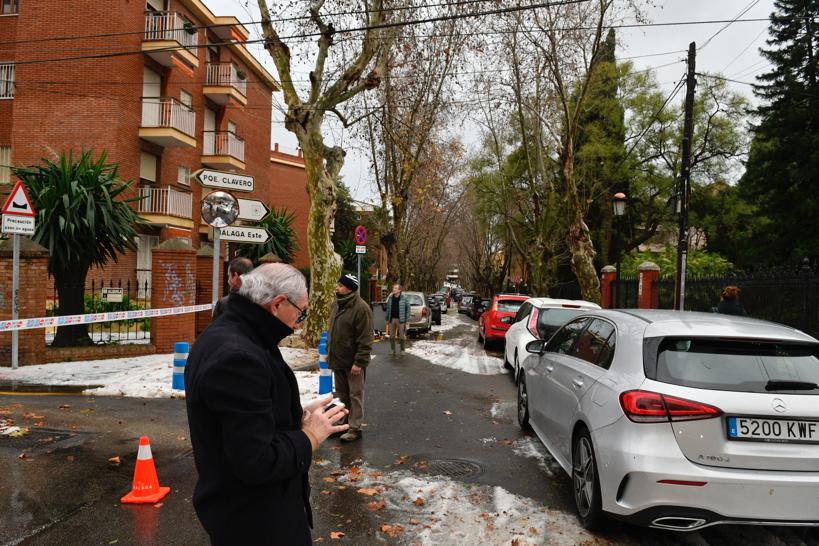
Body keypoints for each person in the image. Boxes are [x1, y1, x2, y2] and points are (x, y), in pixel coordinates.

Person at [185, 263, 349, 545]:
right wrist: (310, 435)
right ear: (277, 305)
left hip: (249, 516)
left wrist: (295, 416)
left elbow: (243, 422)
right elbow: (255, 461)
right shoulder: (238, 356)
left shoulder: (234, 333)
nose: (301, 322)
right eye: (302, 312)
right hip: (257, 524)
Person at [327, 274, 373, 443]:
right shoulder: (337, 305)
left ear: (349, 288)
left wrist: (359, 362)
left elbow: (365, 338)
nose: (337, 287)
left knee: (355, 395)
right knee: (342, 394)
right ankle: (344, 425)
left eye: (340, 285)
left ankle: (355, 428)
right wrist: (328, 352)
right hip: (338, 359)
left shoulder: (361, 308)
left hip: (353, 362)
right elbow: (333, 331)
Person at [384, 283, 411, 356]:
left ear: (399, 290)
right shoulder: (390, 297)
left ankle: (402, 350)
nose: (393, 289)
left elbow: (408, 309)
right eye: (393, 288)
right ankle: (392, 350)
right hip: (392, 319)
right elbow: (388, 309)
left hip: (401, 320)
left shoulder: (404, 298)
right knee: (391, 336)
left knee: (401, 335)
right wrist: (387, 319)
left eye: (395, 288)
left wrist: (407, 320)